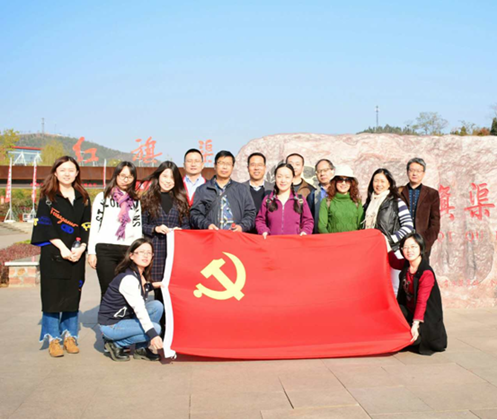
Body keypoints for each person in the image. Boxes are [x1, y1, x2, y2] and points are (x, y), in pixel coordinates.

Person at [31, 156, 91, 358]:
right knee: (52, 296)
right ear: (56, 172)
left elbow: (86, 224)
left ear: (77, 173)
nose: (67, 173)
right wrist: (62, 248)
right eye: (63, 169)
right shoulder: (48, 196)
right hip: (53, 254)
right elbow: (44, 225)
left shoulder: (83, 197)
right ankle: (53, 338)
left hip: (76, 254)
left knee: (72, 296)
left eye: (71, 170)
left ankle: (70, 336)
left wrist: (82, 248)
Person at [141, 161, 190, 336]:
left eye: (172, 177)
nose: (168, 180)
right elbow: (141, 225)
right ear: (158, 177)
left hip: (174, 252)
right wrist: (154, 228)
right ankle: (155, 331)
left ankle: (171, 330)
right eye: (165, 176)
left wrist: (180, 231)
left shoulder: (181, 201)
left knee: (171, 291)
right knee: (155, 291)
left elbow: (187, 226)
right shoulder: (148, 199)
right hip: (155, 250)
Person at [98, 238, 164, 362]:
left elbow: (142, 288)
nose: (145, 255)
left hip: (124, 319)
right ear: (131, 255)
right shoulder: (129, 279)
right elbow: (139, 309)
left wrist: (157, 285)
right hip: (112, 324)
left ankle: (141, 348)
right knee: (156, 329)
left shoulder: (138, 274)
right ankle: (116, 344)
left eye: (149, 253)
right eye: (141, 252)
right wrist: (153, 335)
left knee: (157, 305)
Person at [88, 161, 142, 298]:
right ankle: (106, 314)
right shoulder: (103, 197)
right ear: (116, 176)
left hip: (127, 250)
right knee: (108, 291)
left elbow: (137, 227)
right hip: (105, 249)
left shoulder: (135, 201)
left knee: (126, 292)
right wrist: (92, 252)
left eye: (129, 177)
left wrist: (138, 252)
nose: (125, 180)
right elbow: (95, 225)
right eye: (122, 175)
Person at [389, 232, 447, 355]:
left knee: (410, 340)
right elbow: (393, 262)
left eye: (413, 247)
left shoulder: (426, 273)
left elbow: (421, 301)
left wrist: (415, 325)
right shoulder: (406, 265)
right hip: (410, 312)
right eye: (405, 247)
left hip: (425, 320)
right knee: (393, 309)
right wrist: (384, 242)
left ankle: (416, 335)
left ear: (420, 248)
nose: (409, 250)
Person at [364, 168, 414, 295]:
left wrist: (390, 239)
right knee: (375, 287)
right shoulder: (369, 203)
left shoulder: (397, 202)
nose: (379, 184)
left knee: (393, 288)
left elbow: (408, 226)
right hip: (373, 251)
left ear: (389, 184)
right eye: (376, 181)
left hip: (392, 250)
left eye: (382, 181)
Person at [190, 150, 256, 232]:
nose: (224, 167)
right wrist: (207, 225)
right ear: (215, 166)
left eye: (228, 164)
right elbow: (195, 214)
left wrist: (242, 227)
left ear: (232, 167)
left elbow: (250, 213)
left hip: (235, 237)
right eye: (221, 163)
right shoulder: (203, 190)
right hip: (212, 236)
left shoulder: (242, 189)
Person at [255, 163, 314, 237]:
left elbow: (308, 221)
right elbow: (260, 220)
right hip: (272, 242)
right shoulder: (268, 200)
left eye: (287, 177)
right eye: (279, 176)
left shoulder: (300, 200)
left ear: (292, 179)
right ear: (275, 178)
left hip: (294, 242)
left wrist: (305, 232)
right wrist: (263, 231)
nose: (283, 180)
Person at [399, 158, 441, 258]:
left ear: (423, 173)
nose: (415, 173)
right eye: (412, 170)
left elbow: (435, 221)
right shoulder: (398, 192)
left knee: (421, 268)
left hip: (422, 242)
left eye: (418, 171)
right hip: (402, 242)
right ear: (407, 172)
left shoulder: (432, 194)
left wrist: (425, 243)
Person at [318, 165, 363, 233]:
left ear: (351, 183)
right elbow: (321, 227)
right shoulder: (326, 202)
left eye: (347, 180)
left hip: (354, 239)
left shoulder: (357, 202)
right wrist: (331, 239)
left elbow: (361, 226)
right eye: (340, 179)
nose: (343, 183)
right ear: (335, 182)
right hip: (332, 240)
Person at [307, 159, 335, 233]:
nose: (322, 174)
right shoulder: (313, 195)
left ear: (332, 171)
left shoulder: (341, 191)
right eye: (319, 171)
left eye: (325, 170)